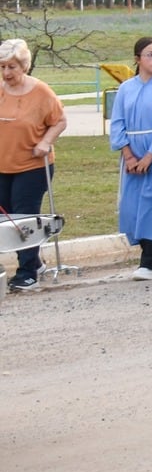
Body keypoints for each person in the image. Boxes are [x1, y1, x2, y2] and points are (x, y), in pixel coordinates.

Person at [0, 39, 66, 292]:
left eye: (12, 67)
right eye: (3, 67)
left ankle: (27, 271)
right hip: (3, 164)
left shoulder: (41, 92)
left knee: (23, 217)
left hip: (33, 165)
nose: (7, 73)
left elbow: (59, 120)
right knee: (4, 217)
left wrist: (46, 141)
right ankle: (35, 262)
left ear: (24, 66)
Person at [110, 36, 152, 280]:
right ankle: (145, 252)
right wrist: (128, 155)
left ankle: (151, 259)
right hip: (132, 154)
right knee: (134, 205)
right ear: (138, 59)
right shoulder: (126, 88)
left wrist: (150, 155)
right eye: (150, 54)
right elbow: (118, 122)